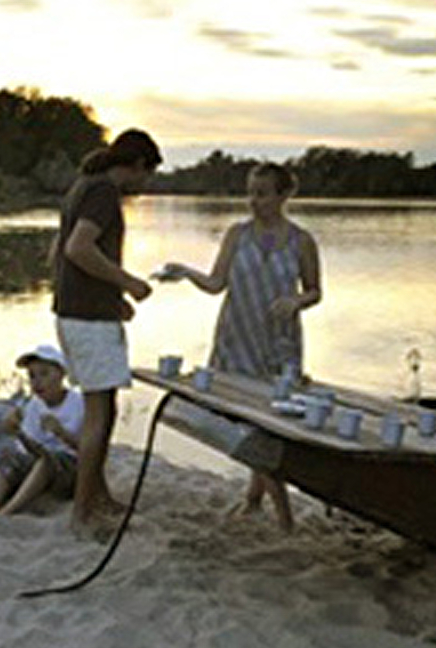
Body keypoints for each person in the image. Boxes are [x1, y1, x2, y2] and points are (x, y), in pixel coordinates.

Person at [158, 162, 321, 531]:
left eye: (262, 193)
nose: (254, 200)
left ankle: (270, 509)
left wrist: (296, 301)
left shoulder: (302, 240)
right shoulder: (236, 234)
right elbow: (217, 283)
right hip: (237, 337)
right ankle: (264, 505)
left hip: (280, 343)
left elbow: (315, 291)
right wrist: (186, 272)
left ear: (283, 196)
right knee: (247, 423)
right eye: (250, 192)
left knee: (272, 425)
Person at [50, 128, 162, 532]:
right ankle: (83, 514)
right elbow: (77, 248)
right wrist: (128, 282)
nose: (145, 184)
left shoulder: (83, 186)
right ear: (135, 165)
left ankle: (99, 498)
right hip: (88, 321)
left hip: (77, 312)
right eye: (146, 175)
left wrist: (111, 298)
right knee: (101, 413)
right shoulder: (102, 193)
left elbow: (58, 251)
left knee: (105, 408)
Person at [0, 344, 84, 515]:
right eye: (32, 376)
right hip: (40, 464)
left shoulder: (79, 403)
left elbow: (88, 450)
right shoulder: (34, 405)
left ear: (61, 374)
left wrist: (61, 433)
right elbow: (33, 449)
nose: (37, 381)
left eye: (44, 374)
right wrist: (17, 432)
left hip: (69, 470)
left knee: (48, 462)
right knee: (8, 458)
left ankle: (6, 512)